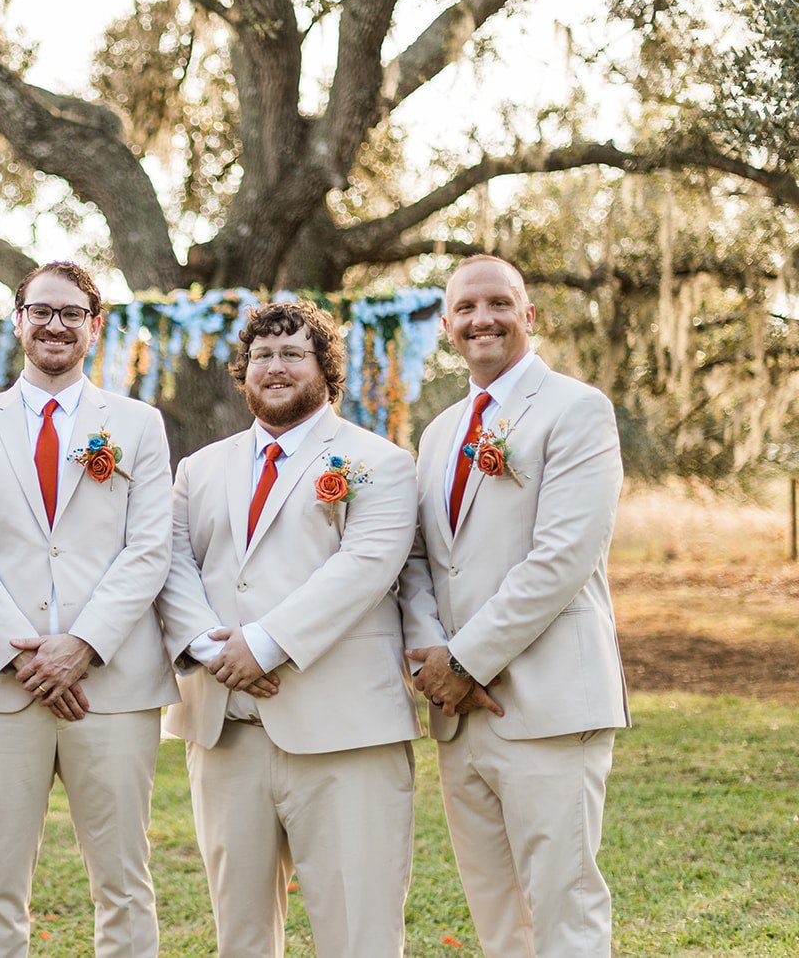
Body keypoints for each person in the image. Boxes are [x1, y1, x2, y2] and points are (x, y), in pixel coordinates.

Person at [157, 300, 422, 957]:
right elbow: (172, 562)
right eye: (261, 355)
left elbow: (363, 568)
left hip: (344, 734)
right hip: (224, 730)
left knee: (358, 932)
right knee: (240, 935)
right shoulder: (200, 469)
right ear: (243, 370)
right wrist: (207, 647)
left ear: (325, 368)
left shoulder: (378, 461)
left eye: (291, 354)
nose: (273, 367)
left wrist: (264, 645)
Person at [0, 261, 175, 957]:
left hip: (113, 683)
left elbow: (148, 548)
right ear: (18, 321)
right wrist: (25, 652)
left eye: (72, 313)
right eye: (41, 311)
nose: (55, 325)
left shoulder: (137, 425)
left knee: (125, 882)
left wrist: (82, 645)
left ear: (94, 328)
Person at [401, 254, 629, 957]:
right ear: (446, 327)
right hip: (461, 716)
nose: (483, 318)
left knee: (564, 904)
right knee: (498, 914)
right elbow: (418, 562)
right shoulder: (438, 433)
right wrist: (434, 660)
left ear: (528, 315)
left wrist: (466, 660)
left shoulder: (578, 409)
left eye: (499, 302)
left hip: (549, 701)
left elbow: (562, 559)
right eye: (466, 308)